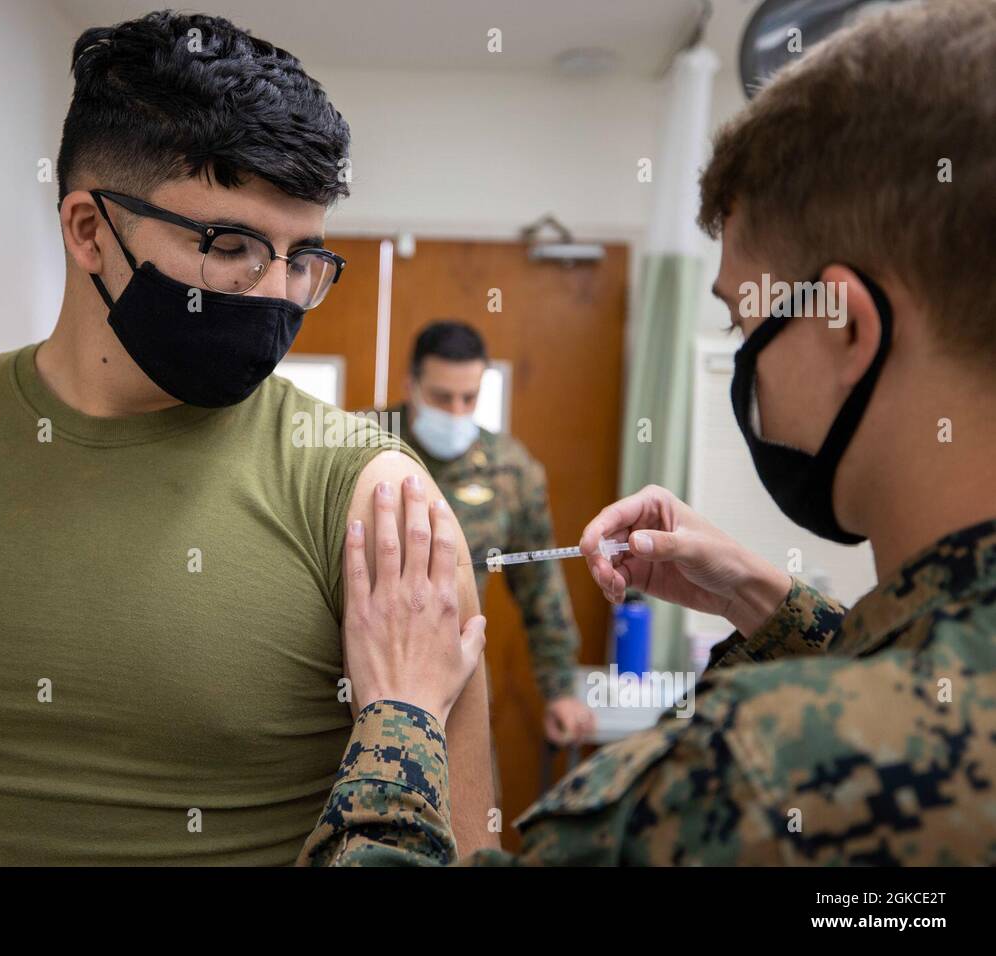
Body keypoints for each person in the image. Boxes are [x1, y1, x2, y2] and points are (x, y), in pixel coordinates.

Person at [0, 10, 496, 865]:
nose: (271, 293)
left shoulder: (373, 498)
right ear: (89, 230)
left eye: (302, 258)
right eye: (230, 245)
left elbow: (456, 840)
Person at [298, 0, 996, 866]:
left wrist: (397, 715)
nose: (747, 373)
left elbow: (546, 604)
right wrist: (764, 599)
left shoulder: (759, 778)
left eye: (745, 326)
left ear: (846, 328)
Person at [392, 321, 593, 744]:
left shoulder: (511, 469)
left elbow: (540, 582)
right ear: (411, 385)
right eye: (441, 397)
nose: (457, 411)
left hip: (461, 679)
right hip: (367, 675)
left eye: (470, 397)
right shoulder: (367, 448)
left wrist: (560, 690)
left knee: (473, 807)